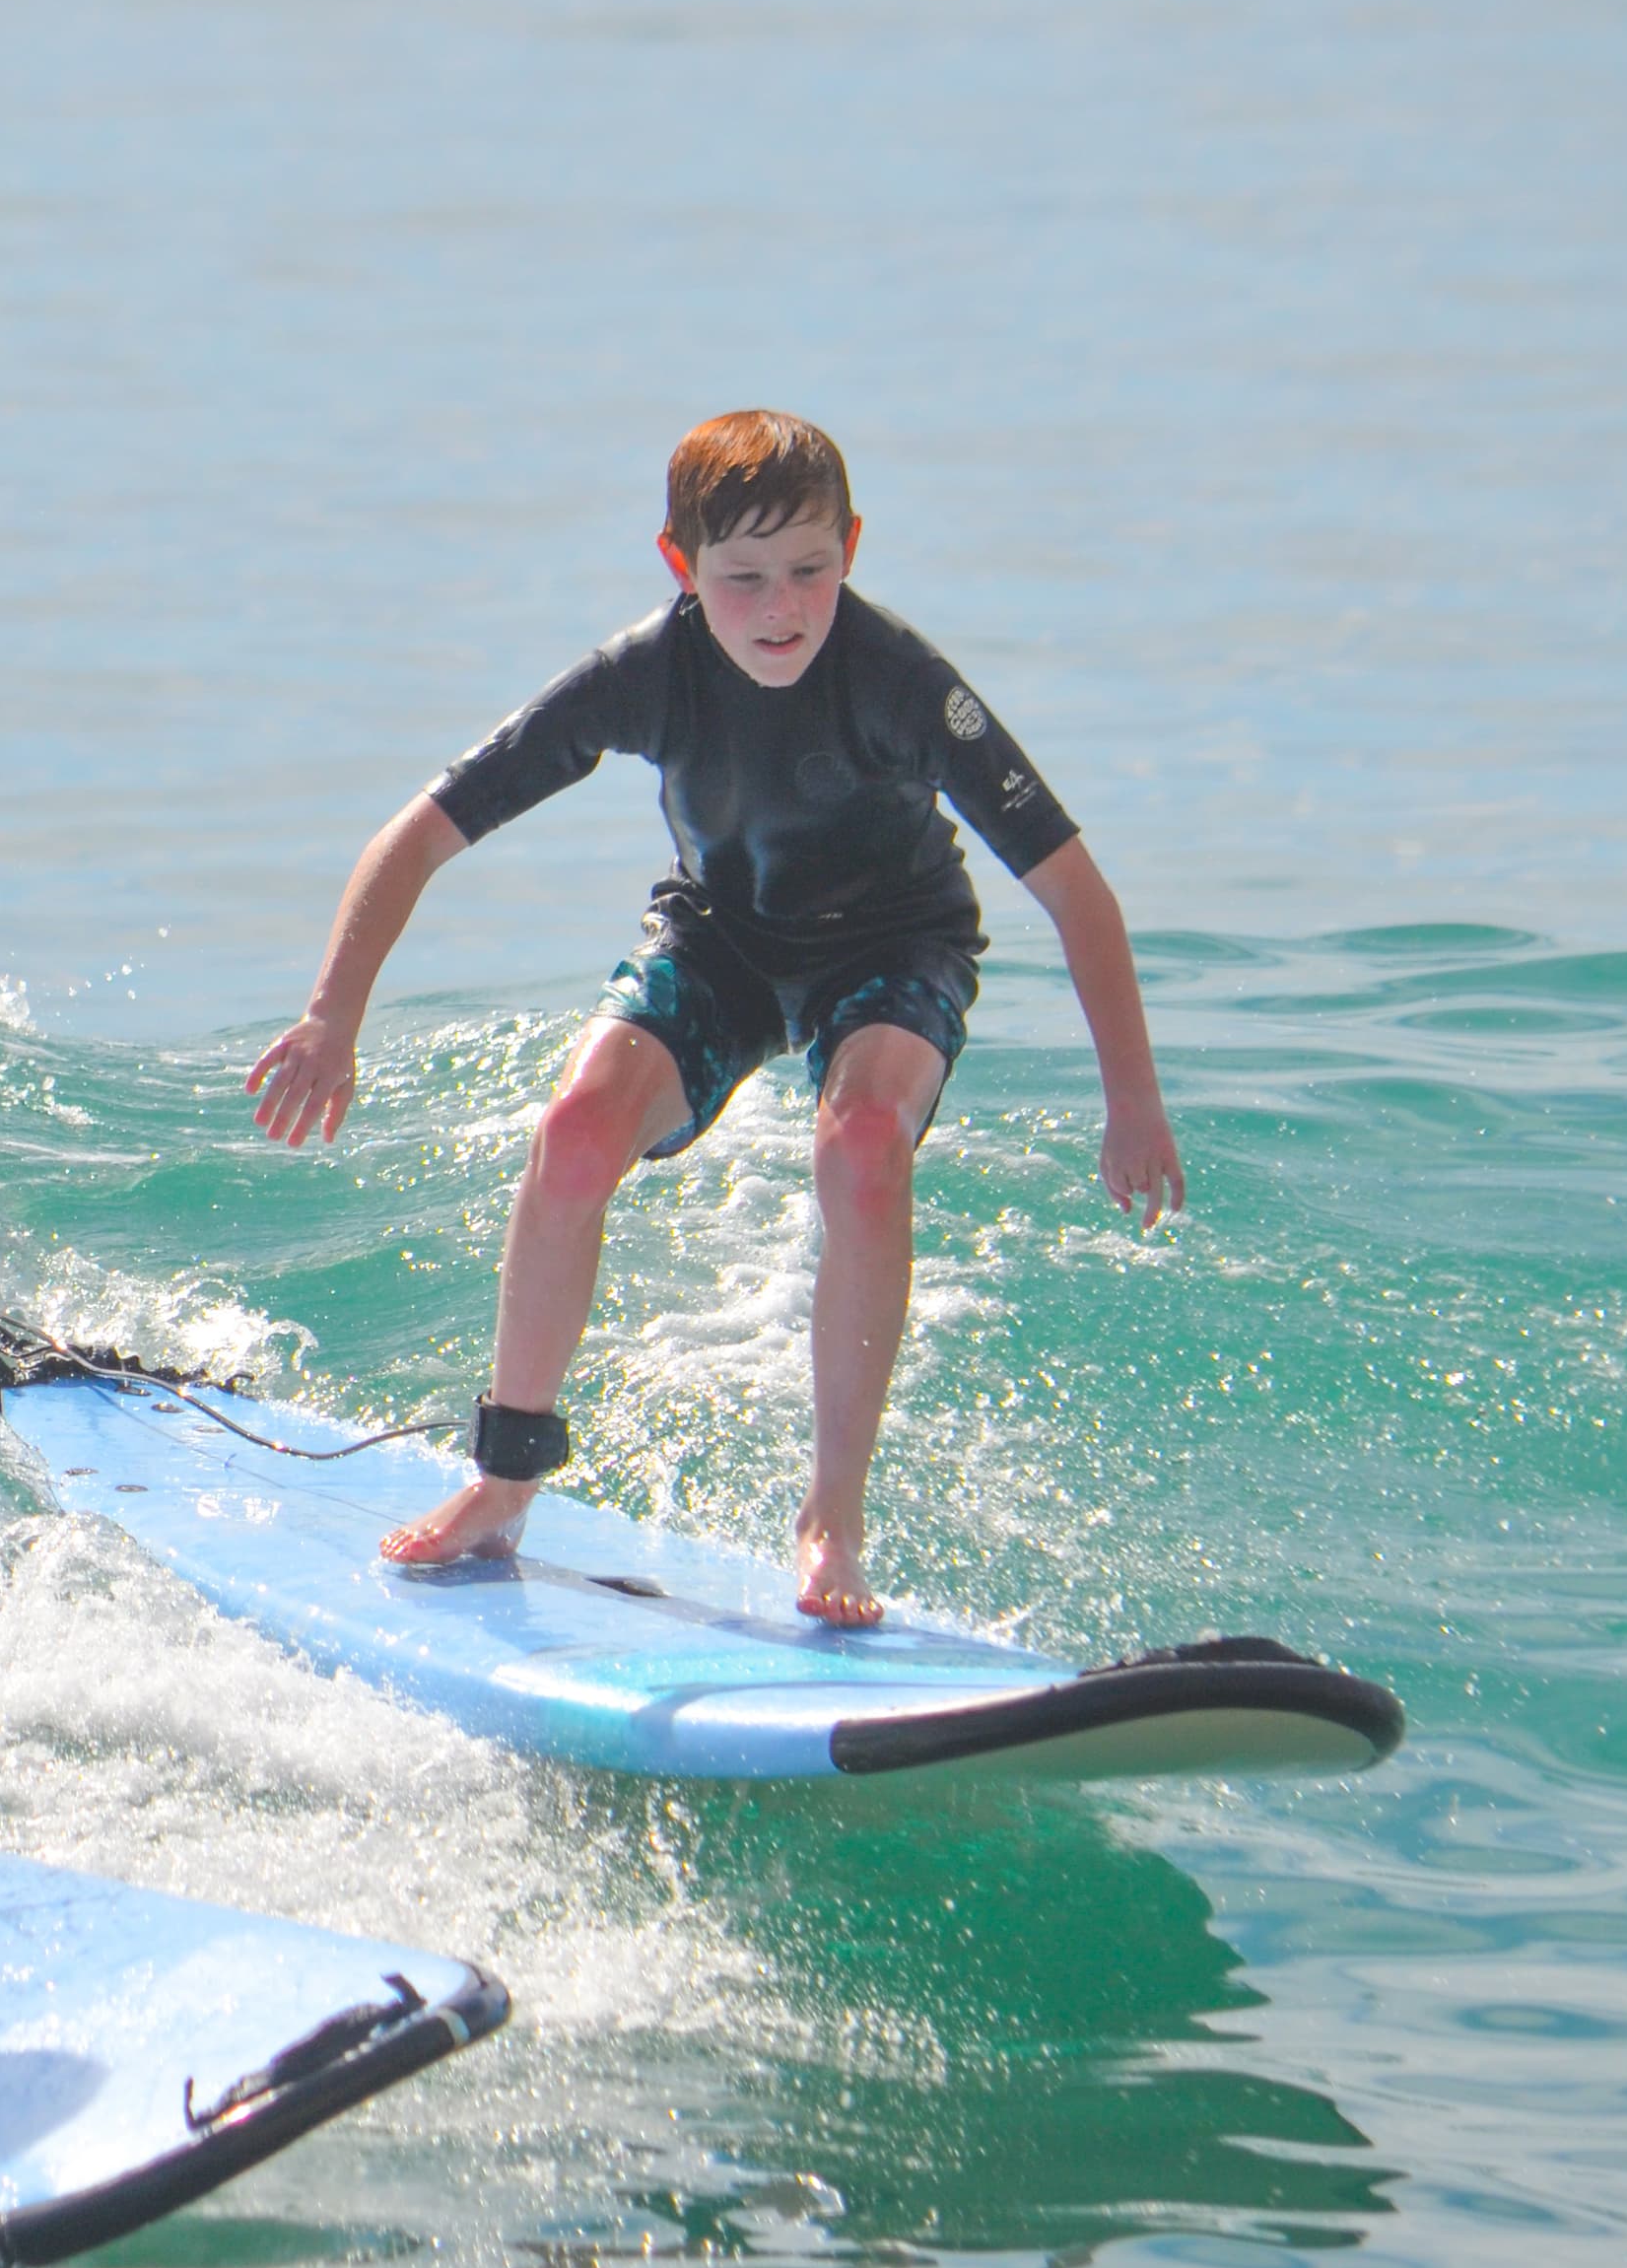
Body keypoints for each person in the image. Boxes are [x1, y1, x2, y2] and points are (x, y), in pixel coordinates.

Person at [247, 411, 1183, 1626]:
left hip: (895, 946)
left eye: (811, 568)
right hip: (724, 937)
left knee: (860, 1149)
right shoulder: (646, 673)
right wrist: (332, 1016)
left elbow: (1074, 890)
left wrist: (1134, 1102)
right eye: (742, 578)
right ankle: (502, 1476)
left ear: (852, 545)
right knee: (576, 1130)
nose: (782, 605)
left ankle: (831, 1520)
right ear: (681, 567)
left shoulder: (904, 684)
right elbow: (421, 832)